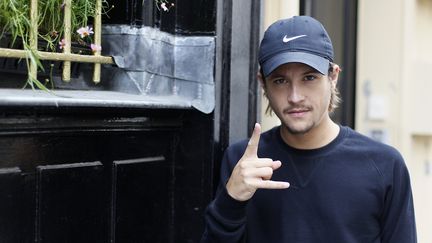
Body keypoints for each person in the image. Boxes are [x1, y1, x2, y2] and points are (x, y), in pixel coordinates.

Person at [201, 16, 417, 243]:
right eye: (280, 81)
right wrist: (231, 201)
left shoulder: (384, 164)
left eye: (309, 77)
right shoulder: (243, 162)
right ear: (263, 84)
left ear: (333, 76)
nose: (295, 97)